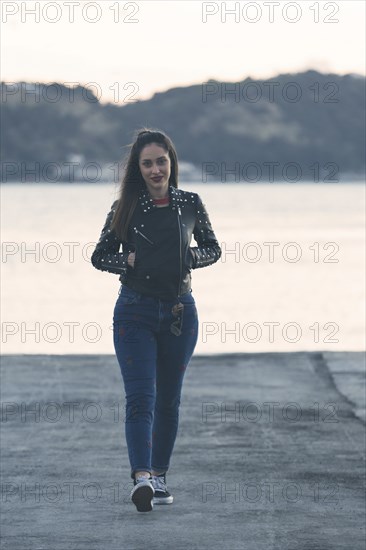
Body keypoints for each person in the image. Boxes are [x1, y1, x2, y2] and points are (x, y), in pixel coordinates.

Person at [91, 128, 221, 512]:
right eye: (147, 163)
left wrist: (185, 260)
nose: (155, 169)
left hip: (181, 312)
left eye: (161, 161)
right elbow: (99, 256)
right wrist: (127, 260)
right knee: (141, 398)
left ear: (171, 162)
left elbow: (213, 248)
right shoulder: (124, 208)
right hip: (134, 311)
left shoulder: (190, 203)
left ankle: (160, 476)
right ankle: (141, 478)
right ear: (138, 168)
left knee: (168, 400)